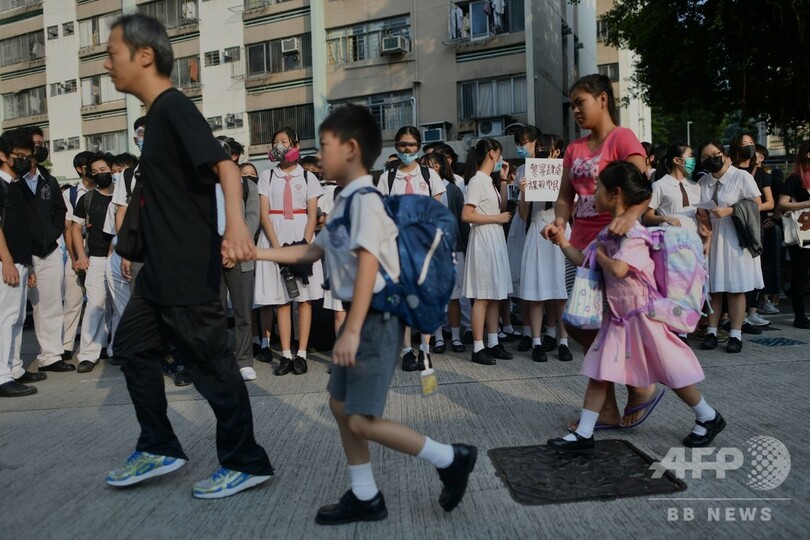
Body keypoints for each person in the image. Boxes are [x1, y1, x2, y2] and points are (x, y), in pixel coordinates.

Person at [255, 103, 476, 524]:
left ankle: (450, 458)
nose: (318, 156)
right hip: (361, 320)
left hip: (373, 320)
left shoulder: (367, 201)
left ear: (351, 149)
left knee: (360, 416)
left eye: (325, 145)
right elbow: (314, 250)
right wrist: (257, 251)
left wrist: (352, 330)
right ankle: (365, 493)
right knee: (341, 407)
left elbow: (370, 260)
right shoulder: (344, 199)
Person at [103, 14, 272, 497]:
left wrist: (236, 227)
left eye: (112, 53)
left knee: (210, 366)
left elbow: (226, 165)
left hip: (186, 268)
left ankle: (246, 460)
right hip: (159, 271)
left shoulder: (174, 107)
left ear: (144, 55)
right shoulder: (154, 118)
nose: (106, 65)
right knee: (132, 348)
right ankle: (158, 446)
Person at [546, 161, 725, 454]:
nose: (594, 194)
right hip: (618, 319)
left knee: (670, 372)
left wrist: (602, 255)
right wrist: (562, 240)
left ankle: (708, 415)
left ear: (615, 193)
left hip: (643, 319)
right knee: (599, 371)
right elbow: (583, 260)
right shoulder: (608, 233)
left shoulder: (636, 234)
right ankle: (585, 434)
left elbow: (618, 269)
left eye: (599, 189)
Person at [542, 74, 658, 431]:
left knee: (613, 324)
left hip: (613, 249)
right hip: (581, 248)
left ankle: (638, 387)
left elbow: (642, 189)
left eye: (581, 102)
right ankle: (610, 403)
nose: (575, 110)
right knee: (578, 323)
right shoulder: (575, 149)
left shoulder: (623, 138)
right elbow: (566, 196)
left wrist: (628, 217)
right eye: (572, 105)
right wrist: (561, 222)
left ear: (603, 99)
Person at [254, 127, 324, 376]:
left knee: (303, 299)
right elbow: (263, 213)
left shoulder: (308, 178)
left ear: (295, 144)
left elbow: (312, 214)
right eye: (276, 142)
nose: (280, 145)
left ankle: (301, 353)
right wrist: (277, 248)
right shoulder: (267, 176)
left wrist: (302, 246)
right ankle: (285, 353)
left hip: (301, 237)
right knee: (281, 300)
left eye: (284, 141)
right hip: (274, 237)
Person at [378, 126, 446, 371]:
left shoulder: (429, 175)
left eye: (412, 145)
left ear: (418, 146)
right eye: (402, 144)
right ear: (396, 146)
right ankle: (407, 350)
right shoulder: (386, 177)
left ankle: (425, 350)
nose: (407, 149)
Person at [697, 139, 764, 353]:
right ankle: (711, 332)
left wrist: (731, 210)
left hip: (735, 236)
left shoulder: (741, 176)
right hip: (713, 238)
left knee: (736, 288)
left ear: (725, 155)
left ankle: (736, 334)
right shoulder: (703, 182)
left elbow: (756, 204)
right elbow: (700, 211)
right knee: (714, 287)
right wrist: (703, 222)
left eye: (714, 155)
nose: (711, 160)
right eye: (705, 158)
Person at [516, 132, 572, 363]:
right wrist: (522, 192)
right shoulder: (529, 172)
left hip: (560, 230)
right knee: (536, 292)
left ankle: (563, 341)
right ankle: (537, 341)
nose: (539, 151)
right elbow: (523, 214)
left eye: (544, 147)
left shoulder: (565, 174)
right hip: (537, 229)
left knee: (561, 292)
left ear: (556, 152)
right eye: (538, 147)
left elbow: (573, 209)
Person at [19, 128, 69, 373]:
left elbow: (60, 209)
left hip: (48, 250)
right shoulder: (13, 181)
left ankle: (51, 356)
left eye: (42, 143)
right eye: (35, 144)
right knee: (16, 313)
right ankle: (11, 367)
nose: (39, 148)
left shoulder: (47, 179)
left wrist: (54, 233)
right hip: (19, 254)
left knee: (50, 305)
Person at [0, 129, 44, 397]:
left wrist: (27, 265)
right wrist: (6, 261)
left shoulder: (16, 186)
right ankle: (2, 376)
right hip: (6, 263)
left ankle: (14, 368)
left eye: (28, 157)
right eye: (19, 156)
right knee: (5, 318)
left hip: (20, 262)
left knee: (16, 318)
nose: (25, 161)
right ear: (3, 155)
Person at [461, 138, 513, 365]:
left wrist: (502, 180)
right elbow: (466, 215)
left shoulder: (489, 181)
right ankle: (478, 346)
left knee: (493, 295)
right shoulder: (476, 181)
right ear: (492, 153)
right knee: (482, 296)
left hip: (494, 239)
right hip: (483, 239)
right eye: (499, 153)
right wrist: (496, 219)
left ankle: (493, 342)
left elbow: (501, 209)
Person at [216, 138, 260, 381]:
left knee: (243, 310)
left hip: (241, 255)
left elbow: (253, 217)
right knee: (216, 312)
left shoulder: (246, 185)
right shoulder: (203, 185)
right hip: (212, 257)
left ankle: (244, 360)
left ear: (233, 156)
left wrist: (234, 246)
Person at [70, 152, 116, 373]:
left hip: (118, 258)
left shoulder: (122, 196)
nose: (100, 174)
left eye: (103, 170)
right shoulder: (86, 199)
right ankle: (88, 354)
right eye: (95, 172)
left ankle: (117, 348)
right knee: (95, 305)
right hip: (96, 258)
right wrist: (80, 256)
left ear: (112, 170)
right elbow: (75, 229)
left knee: (119, 306)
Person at [421, 152, 469, 353]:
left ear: (436, 166)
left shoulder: (453, 190)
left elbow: (462, 222)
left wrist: (464, 247)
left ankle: (456, 337)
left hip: (452, 250)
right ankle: (439, 338)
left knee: (454, 297)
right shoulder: (420, 190)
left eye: (426, 166)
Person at [62, 151, 95, 364]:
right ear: (79, 169)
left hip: (99, 250)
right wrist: (74, 258)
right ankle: (65, 346)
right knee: (73, 299)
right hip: (76, 249)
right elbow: (68, 229)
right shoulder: (71, 194)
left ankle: (98, 342)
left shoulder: (106, 189)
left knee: (98, 299)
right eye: (88, 166)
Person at [777, 139, 810, 328]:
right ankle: (800, 316)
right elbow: (781, 204)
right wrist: (806, 204)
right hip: (802, 234)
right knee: (800, 274)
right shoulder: (795, 178)